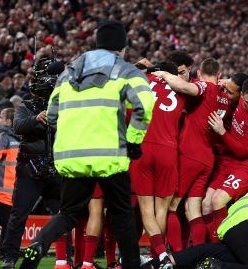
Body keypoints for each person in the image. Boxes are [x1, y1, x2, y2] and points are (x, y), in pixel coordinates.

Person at [19, 20, 155, 269]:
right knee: (122, 215)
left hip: (71, 156)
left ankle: (38, 245)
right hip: (109, 155)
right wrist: (134, 142)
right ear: (122, 47)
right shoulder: (125, 70)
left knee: (68, 213)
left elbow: (51, 115)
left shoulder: (69, 72)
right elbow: (145, 105)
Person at [154, 58, 230, 249]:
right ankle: (199, 255)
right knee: (192, 210)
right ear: (219, 75)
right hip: (207, 158)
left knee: (171, 207)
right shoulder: (225, 96)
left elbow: (189, 89)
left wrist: (164, 74)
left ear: (198, 74)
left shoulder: (204, 87)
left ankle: (179, 256)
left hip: (189, 154)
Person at [0, 58, 67, 269]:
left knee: (64, 215)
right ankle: (10, 256)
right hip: (31, 167)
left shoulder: (64, 103)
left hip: (56, 167)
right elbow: (18, 126)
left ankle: (66, 257)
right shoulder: (27, 104)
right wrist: (36, 119)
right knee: (18, 214)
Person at [203, 77, 248, 242]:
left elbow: (242, 152)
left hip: (247, 167)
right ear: (241, 95)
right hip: (227, 163)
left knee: (217, 200)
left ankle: (224, 247)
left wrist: (221, 131)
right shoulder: (237, 99)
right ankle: (209, 248)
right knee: (205, 204)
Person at [130, 60, 181, 264]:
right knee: (162, 210)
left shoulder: (143, 82)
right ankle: (156, 257)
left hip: (143, 148)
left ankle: (160, 255)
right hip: (168, 150)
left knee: (146, 210)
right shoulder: (181, 89)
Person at [0, 108, 19, 259]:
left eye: (1, 117)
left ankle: (5, 252)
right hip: (14, 192)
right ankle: (6, 251)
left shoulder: (2, 138)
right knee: (9, 224)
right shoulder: (22, 140)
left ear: (9, 121)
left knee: (8, 224)